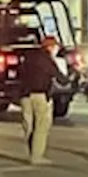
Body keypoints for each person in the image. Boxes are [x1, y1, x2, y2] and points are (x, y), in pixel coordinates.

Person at [17, 36, 70, 165]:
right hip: (39, 95)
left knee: (29, 125)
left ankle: (32, 150)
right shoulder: (46, 58)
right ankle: (37, 156)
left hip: (24, 95)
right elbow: (59, 77)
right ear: (51, 47)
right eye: (56, 47)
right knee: (41, 126)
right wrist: (70, 79)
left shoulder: (28, 57)